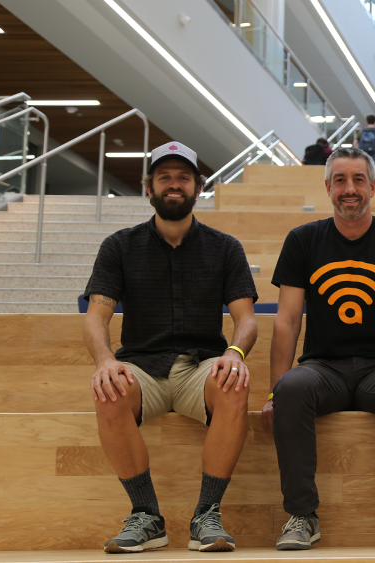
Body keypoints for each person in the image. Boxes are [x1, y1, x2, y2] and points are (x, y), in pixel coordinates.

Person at [84, 141, 258, 554]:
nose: (174, 184)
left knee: (233, 381)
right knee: (109, 390)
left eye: (183, 177)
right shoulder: (119, 246)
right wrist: (105, 360)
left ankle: (206, 516)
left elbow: (246, 319)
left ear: (198, 187)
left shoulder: (225, 247)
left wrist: (234, 354)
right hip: (142, 366)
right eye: (165, 177)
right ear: (149, 188)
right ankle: (146, 516)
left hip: (202, 366)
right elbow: (96, 316)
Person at [262, 147, 375, 550]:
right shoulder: (302, 241)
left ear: (373, 186)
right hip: (323, 369)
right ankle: (302, 516)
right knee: (290, 389)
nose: (350, 189)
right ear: (327, 187)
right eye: (340, 180)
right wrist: (274, 390)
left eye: (358, 179)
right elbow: (287, 321)